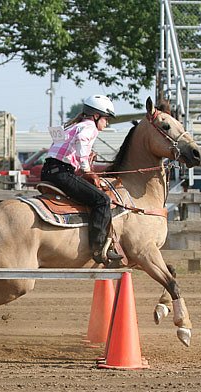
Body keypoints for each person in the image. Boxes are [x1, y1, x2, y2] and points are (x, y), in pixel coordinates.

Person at [40, 94, 120, 265]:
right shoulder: (89, 127)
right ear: (96, 116)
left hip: (49, 171)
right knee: (102, 200)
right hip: (62, 173)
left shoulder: (73, 126)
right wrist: (87, 170)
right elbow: (82, 143)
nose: (106, 124)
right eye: (106, 119)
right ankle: (98, 249)